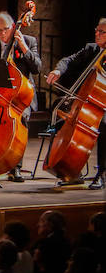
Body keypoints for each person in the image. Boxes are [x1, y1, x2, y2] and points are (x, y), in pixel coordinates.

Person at [45, 17, 106, 188]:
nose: (97, 33)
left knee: (105, 125)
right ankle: (70, 170)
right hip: (86, 103)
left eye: (102, 32)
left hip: (103, 105)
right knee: (59, 120)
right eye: (97, 30)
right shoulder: (91, 49)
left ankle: (101, 173)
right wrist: (58, 70)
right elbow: (68, 60)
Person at [0, 10, 42, 181]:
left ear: (14, 27)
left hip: (20, 97)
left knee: (20, 119)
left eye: (5, 29)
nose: (2, 34)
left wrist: (22, 46)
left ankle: (15, 166)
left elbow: (37, 68)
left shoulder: (29, 41)